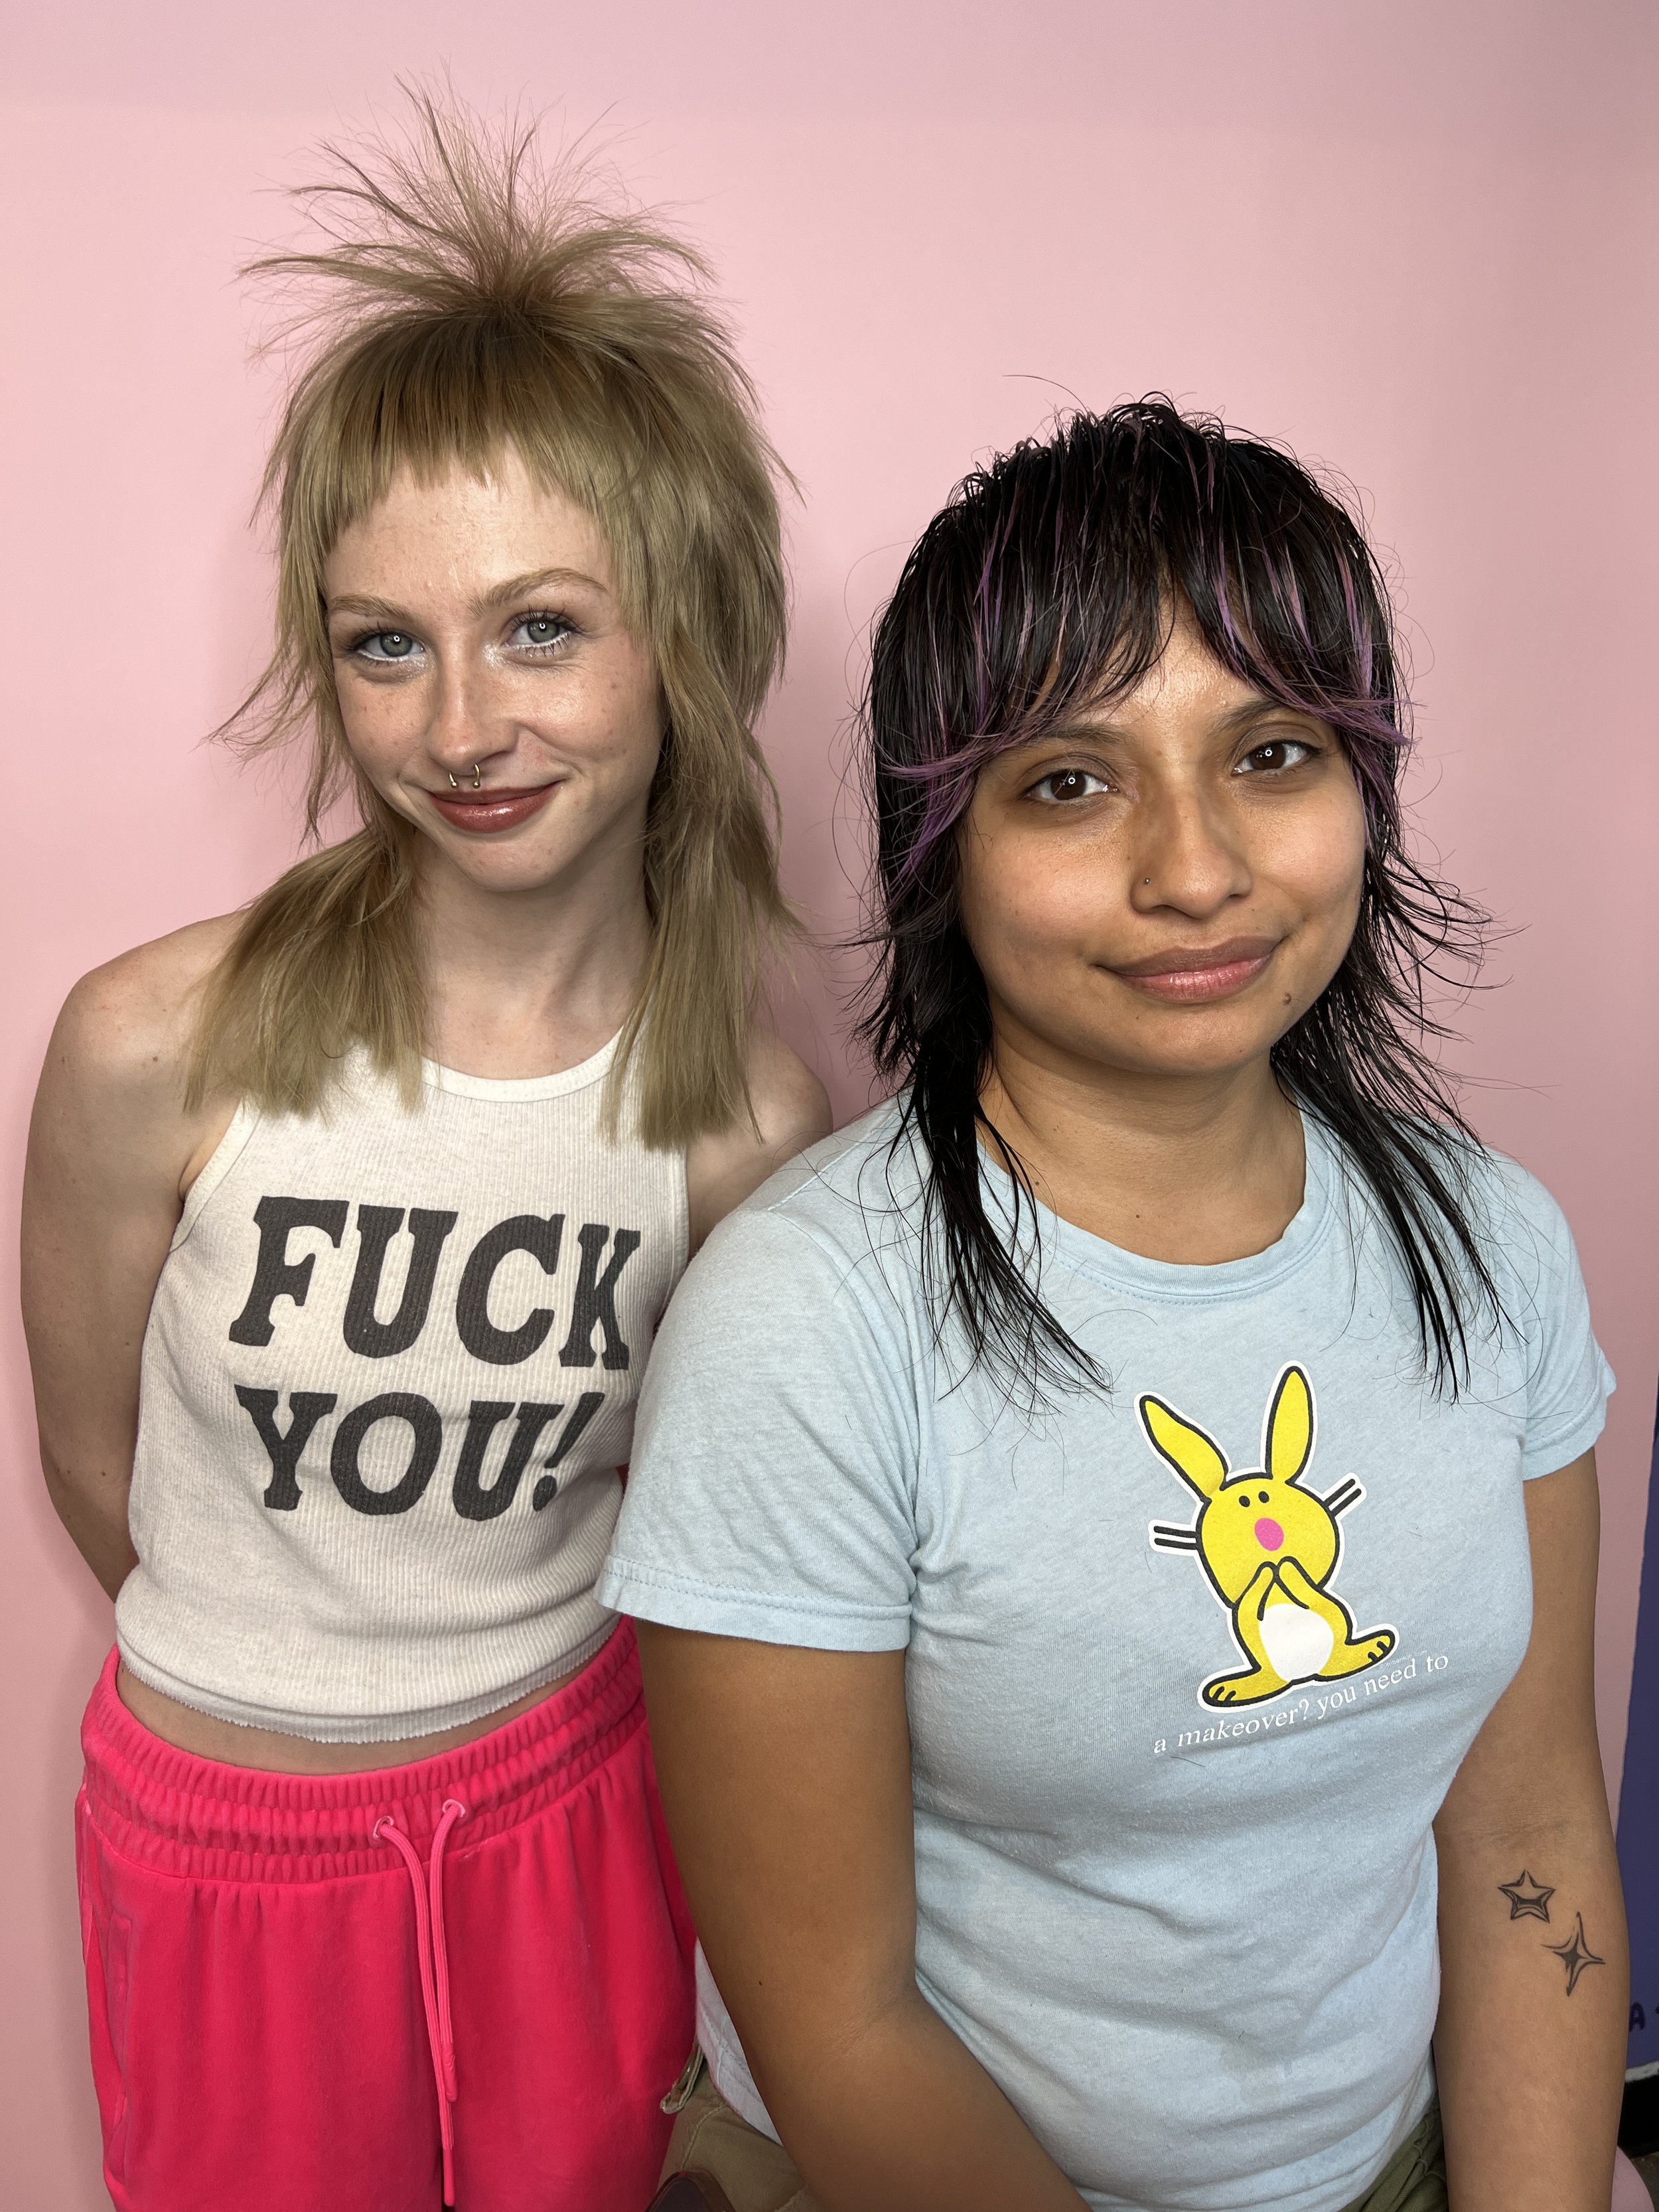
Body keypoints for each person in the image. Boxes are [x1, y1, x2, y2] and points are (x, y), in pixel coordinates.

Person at [603, 402, 1628, 2212]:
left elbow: (1527, 1825)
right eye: (1069, 781)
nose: (1191, 868)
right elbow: (840, 2027)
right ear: (945, 842)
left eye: (1273, 753)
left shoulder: (1492, 1246)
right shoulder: (806, 1328)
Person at [21, 98, 827, 2212]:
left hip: (578, 1815)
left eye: (542, 627)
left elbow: (701, 1539)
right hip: (225, 1852)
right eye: (388, 643)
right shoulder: (146, 1040)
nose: (460, 724)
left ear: (693, 636)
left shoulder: (746, 1121)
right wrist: (315, 1715)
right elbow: (96, 1469)